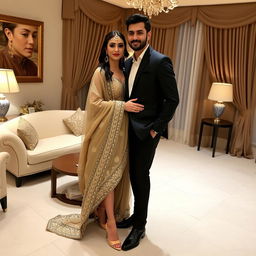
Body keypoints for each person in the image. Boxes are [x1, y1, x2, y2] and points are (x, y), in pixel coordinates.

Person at [46, 31, 144, 251]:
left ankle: (102, 211)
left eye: (120, 45)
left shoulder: (127, 70)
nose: (117, 49)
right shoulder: (101, 72)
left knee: (117, 175)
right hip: (104, 132)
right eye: (112, 45)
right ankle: (110, 223)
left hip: (122, 131)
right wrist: (122, 106)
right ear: (105, 48)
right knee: (107, 175)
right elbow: (95, 103)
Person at [117, 14, 180, 251]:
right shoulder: (126, 62)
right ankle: (135, 215)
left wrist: (156, 129)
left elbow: (172, 100)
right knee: (131, 174)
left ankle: (139, 226)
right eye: (131, 33)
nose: (134, 37)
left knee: (141, 176)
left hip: (147, 132)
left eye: (139, 33)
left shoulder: (160, 61)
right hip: (126, 128)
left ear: (148, 34)